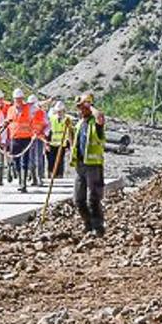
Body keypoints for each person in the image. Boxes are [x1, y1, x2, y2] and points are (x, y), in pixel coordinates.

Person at [66, 94, 108, 235]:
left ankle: (98, 227)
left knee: (93, 199)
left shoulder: (94, 123)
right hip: (80, 166)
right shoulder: (79, 124)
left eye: (83, 107)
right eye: (79, 107)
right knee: (78, 199)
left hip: (93, 165)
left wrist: (89, 105)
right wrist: (70, 134)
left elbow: (100, 118)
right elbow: (74, 144)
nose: (80, 110)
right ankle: (87, 224)